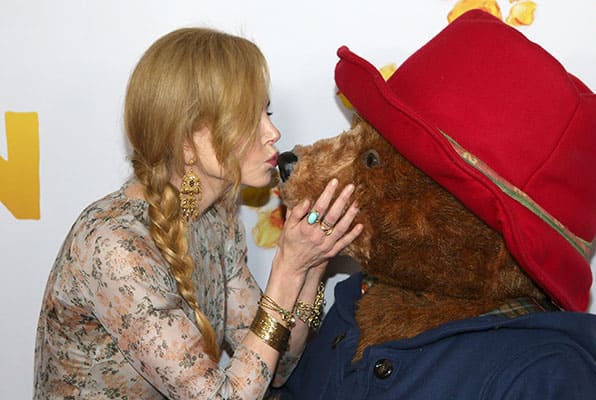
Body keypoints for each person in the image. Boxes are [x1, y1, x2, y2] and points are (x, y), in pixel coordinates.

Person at [33, 27, 363, 399]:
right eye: (247, 119)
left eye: (266, 112)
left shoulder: (215, 220)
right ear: (188, 138)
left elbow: (279, 366)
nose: (273, 132)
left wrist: (311, 264)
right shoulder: (114, 247)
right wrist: (286, 271)